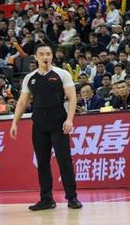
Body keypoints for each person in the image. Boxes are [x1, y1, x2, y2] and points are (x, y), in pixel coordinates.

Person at [9, 44, 82, 211]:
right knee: (42, 162)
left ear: (52, 56)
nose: (45, 57)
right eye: (41, 54)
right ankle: (46, 199)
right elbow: (22, 102)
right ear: (36, 57)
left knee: (64, 161)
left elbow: (72, 98)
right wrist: (14, 122)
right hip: (39, 125)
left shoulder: (62, 74)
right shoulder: (30, 78)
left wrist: (69, 119)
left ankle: (72, 197)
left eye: (48, 54)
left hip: (59, 124)